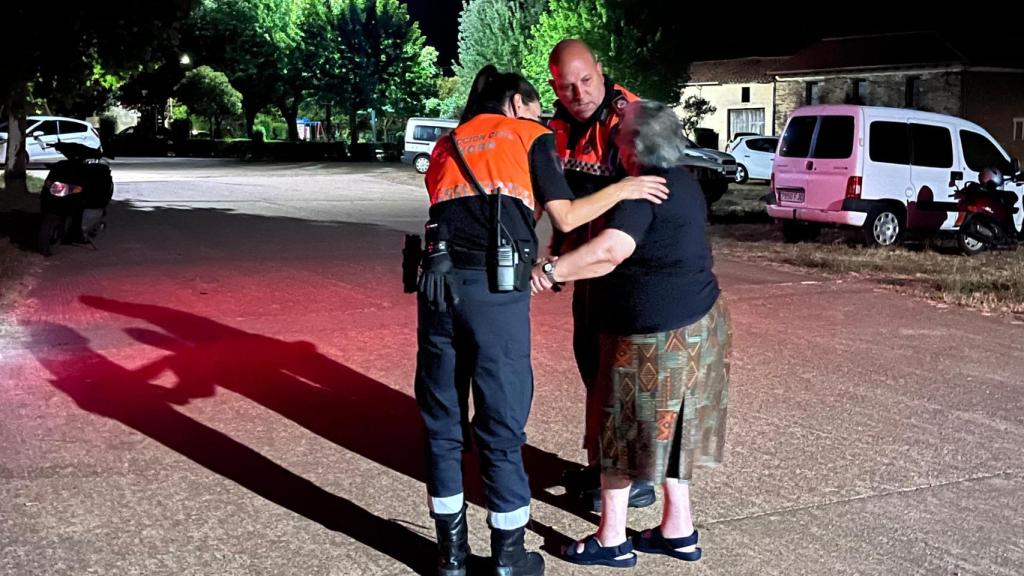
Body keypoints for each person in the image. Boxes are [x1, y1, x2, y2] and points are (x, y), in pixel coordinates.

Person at [415, 65, 668, 576]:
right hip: (495, 294)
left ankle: (451, 557)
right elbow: (568, 216)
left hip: (437, 289)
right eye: (537, 108)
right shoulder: (530, 136)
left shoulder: (445, 144)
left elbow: (461, 211)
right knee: (501, 426)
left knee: (442, 427)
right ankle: (509, 557)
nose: (543, 118)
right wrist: (624, 191)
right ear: (515, 104)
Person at [531, 100, 733, 568]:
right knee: (675, 430)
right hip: (702, 323)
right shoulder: (685, 181)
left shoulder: (644, 191)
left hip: (654, 338)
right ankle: (678, 530)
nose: (614, 144)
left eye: (619, 136)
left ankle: (612, 538)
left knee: (621, 433)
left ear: (631, 148)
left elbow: (609, 252)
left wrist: (549, 270)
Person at [545, 38, 656, 512]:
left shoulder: (628, 118)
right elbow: (557, 195)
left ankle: (640, 476)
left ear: (601, 69)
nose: (578, 93)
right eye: (567, 86)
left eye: (586, 81)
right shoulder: (557, 125)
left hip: (628, 266)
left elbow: (649, 193)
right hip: (589, 266)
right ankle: (604, 464)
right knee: (592, 365)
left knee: (626, 376)